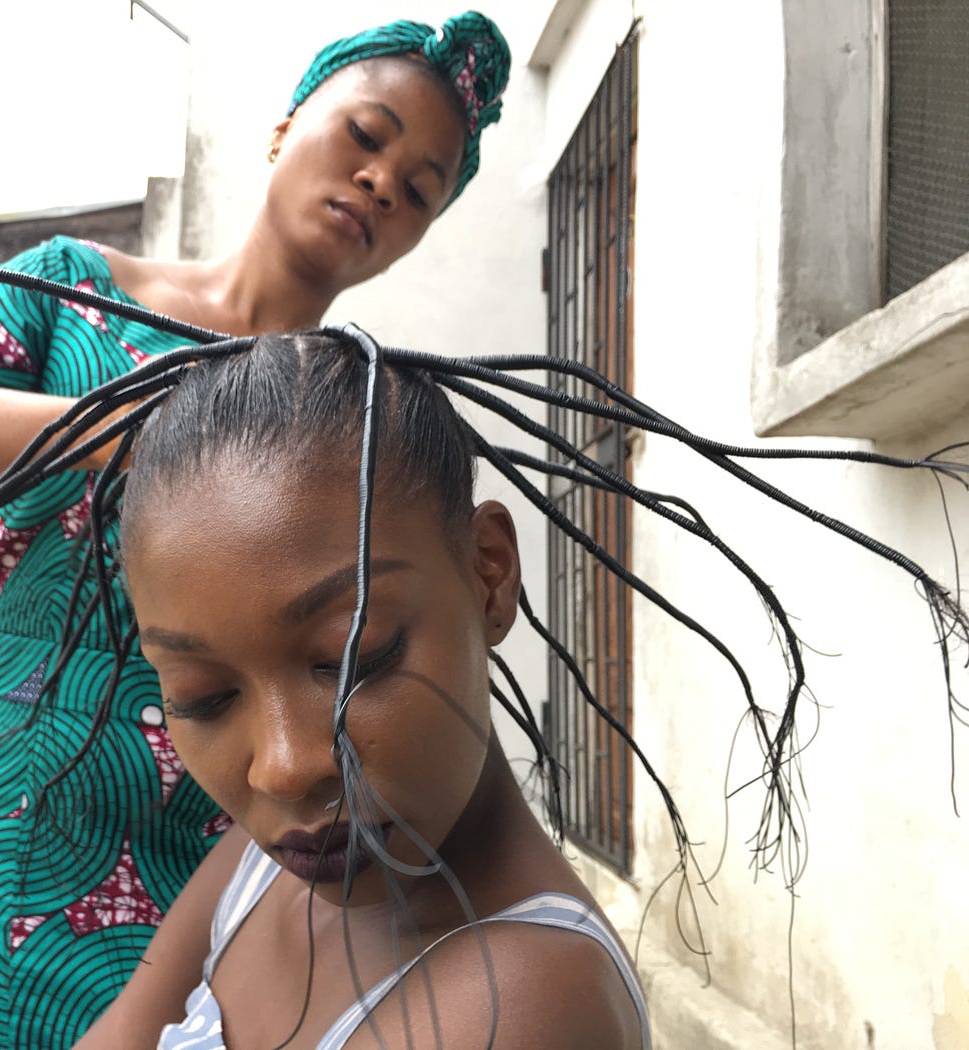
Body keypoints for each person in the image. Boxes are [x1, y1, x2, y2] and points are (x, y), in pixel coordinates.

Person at [0, 12, 513, 1049]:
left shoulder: (348, 417)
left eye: (420, 187)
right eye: (365, 134)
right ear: (283, 127)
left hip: (239, 867)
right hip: (13, 843)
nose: (382, 183)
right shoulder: (73, 298)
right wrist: (108, 427)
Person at [73, 329, 650, 1049]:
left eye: (354, 657)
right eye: (203, 696)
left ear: (489, 574)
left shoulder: (523, 1003)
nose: (284, 766)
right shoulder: (261, 867)